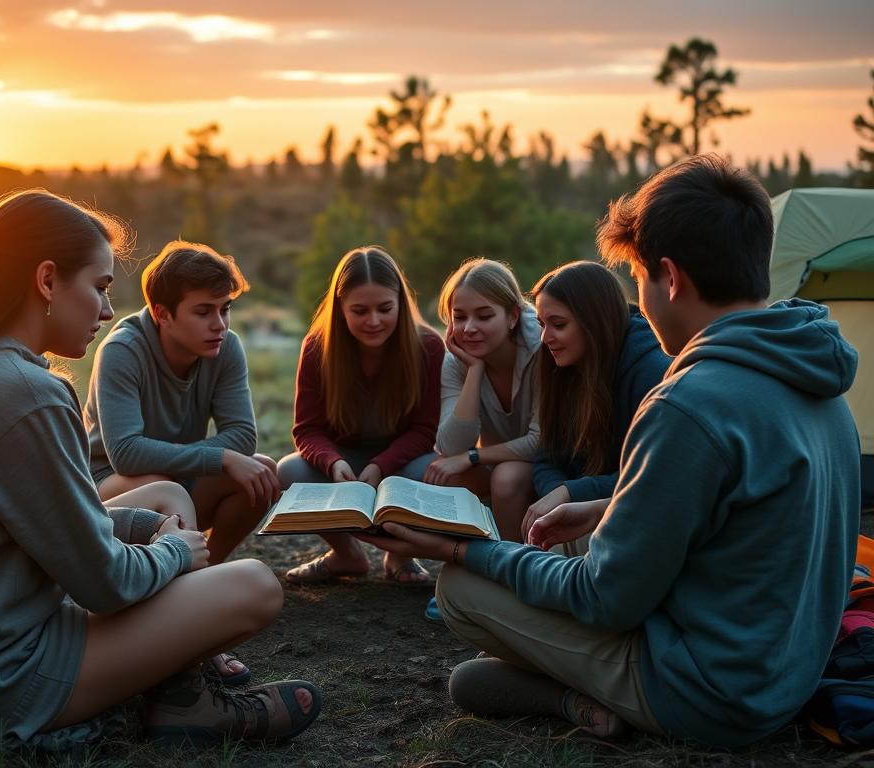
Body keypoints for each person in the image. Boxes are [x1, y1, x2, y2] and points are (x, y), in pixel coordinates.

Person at [358, 155, 860, 746]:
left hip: (709, 693)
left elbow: (605, 599)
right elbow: (747, 516)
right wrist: (602, 509)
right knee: (507, 627)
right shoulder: (821, 383)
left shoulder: (688, 404)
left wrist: (459, 551)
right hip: (784, 669)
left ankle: (582, 694)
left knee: (462, 595)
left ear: (669, 278)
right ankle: (575, 692)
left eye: (641, 281)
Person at [0, 190, 320, 747]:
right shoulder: (26, 392)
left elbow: (43, 528)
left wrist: (151, 530)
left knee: (167, 498)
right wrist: (174, 553)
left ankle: (181, 692)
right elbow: (104, 583)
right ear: (47, 281)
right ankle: (190, 710)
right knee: (255, 585)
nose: (106, 310)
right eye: (100, 288)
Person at [84, 241, 280, 567]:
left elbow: (243, 436)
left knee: (263, 471)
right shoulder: (122, 350)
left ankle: (209, 566)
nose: (219, 324)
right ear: (163, 314)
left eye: (225, 308)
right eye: (204, 312)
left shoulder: (226, 346)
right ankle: (172, 572)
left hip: (179, 473)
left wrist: (222, 459)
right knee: (160, 484)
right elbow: (128, 454)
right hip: (110, 485)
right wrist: (221, 457)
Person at [278, 246, 445, 585]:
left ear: (400, 302)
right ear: (340, 309)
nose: (373, 321)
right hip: (344, 462)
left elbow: (426, 430)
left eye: (385, 308)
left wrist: (380, 465)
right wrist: (332, 462)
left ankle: (400, 555)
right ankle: (346, 554)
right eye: (359, 310)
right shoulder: (316, 347)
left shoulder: (428, 346)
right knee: (288, 470)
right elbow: (307, 429)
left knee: (433, 471)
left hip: (403, 461)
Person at [520, 260, 670, 555]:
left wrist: (572, 492)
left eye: (558, 324)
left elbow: (654, 477)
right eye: (541, 324)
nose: (545, 337)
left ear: (594, 321)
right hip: (579, 510)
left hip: (632, 519)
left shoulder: (650, 372)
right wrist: (559, 491)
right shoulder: (559, 366)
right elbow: (546, 456)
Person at [425, 258, 541, 543]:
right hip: (499, 463)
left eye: (484, 316)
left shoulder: (542, 349)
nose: (468, 329)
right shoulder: (457, 361)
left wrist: (473, 456)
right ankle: (470, 561)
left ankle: (513, 565)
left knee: (507, 476)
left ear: (512, 316)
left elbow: (539, 441)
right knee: (444, 475)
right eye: (460, 317)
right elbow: (451, 446)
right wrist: (475, 370)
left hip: (548, 464)